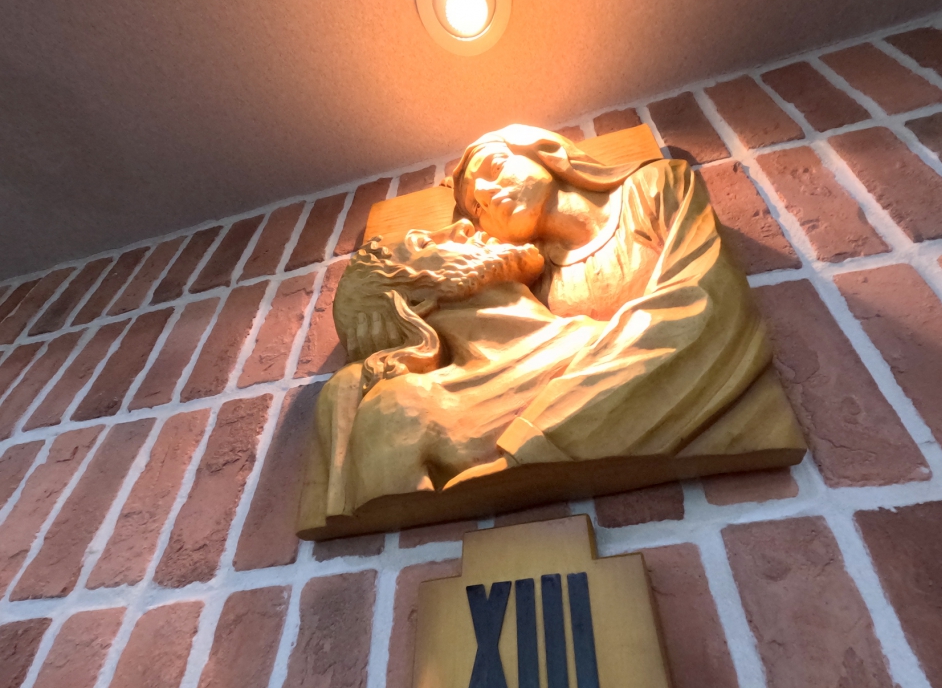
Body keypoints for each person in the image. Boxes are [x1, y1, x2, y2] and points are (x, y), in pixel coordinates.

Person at [297, 125, 802, 539]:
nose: (477, 214)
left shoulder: (653, 191)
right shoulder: (415, 403)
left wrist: (529, 449)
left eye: (496, 168)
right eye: (475, 209)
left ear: (547, 152)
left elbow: (706, 302)